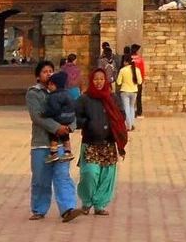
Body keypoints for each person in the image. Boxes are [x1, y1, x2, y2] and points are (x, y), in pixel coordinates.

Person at [26, 60, 82, 223]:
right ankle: (39, 208)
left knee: (62, 176)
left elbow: (71, 111)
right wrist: (58, 128)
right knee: (40, 179)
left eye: (51, 70)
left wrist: (70, 127)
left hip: (60, 144)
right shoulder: (34, 93)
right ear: (38, 76)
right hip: (41, 143)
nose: (49, 73)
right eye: (45, 71)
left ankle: (68, 209)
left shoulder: (64, 92)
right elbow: (37, 116)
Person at [75, 68, 127, 216]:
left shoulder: (112, 98)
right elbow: (75, 116)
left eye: (101, 79)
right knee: (89, 173)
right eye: (96, 79)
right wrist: (87, 123)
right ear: (92, 80)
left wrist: (114, 123)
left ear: (106, 81)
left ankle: (100, 204)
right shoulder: (84, 99)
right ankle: (86, 202)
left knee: (107, 176)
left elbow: (121, 114)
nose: (98, 82)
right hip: (91, 142)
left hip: (108, 143)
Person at [43, 71, 77, 164]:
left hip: (61, 117)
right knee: (65, 133)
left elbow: (55, 109)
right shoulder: (68, 93)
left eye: (50, 85)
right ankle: (68, 151)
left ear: (55, 85)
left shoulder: (54, 96)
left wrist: (46, 114)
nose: (48, 87)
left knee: (54, 131)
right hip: (70, 117)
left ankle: (53, 153)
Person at [114, 53, 142, 131]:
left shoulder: (123, 70)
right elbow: (139, 82)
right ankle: (132, 123)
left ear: (126, 62)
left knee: (126, 108)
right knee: (132, 107)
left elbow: (118, 82)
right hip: (134, 91)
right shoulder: (137, 70)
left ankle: (128, 126)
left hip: (125, 91)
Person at [129, 44, 147, 118]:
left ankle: (130, 112)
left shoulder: (128, 59)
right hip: (138, 80)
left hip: (130, 80)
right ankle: (139, 112)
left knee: (130, 97)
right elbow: (142, 70)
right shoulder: (140, 59)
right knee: (138, 97)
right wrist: (142, 79)